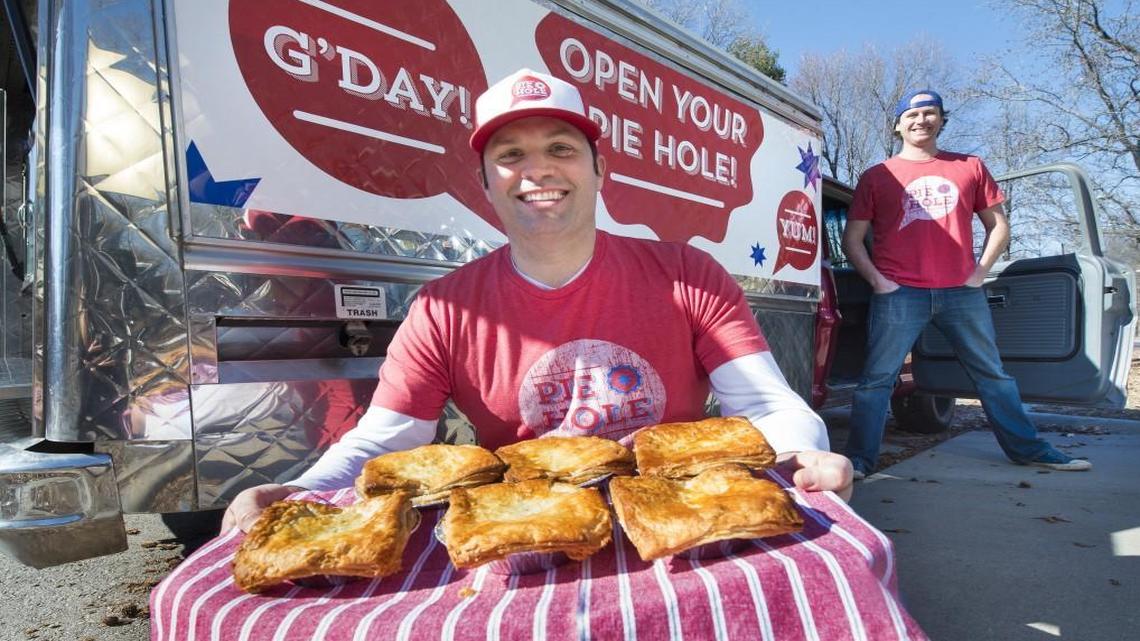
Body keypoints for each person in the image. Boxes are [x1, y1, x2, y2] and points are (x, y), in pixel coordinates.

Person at [221, 69, 853, 532]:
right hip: (530, 528)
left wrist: (804, 456)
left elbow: (767, 405)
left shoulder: (687, 274)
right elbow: (385, 443)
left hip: (681, 518)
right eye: (511, 155)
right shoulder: (444, 308)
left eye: (561, 149)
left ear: (599, 170)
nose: (537, 171)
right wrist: (296, 491)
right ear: (485, 184)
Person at [841, 89, 1092, 479]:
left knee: (993, 375)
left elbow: (999, 226)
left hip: (961, 292)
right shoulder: (877, 176)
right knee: (876, 380)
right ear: (897, 124)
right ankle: (859, 462)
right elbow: (853, 239)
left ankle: (1030, 450)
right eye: (912, 114)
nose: (921, 120)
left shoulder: (970, 166)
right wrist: (877, 281)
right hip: (899, 294)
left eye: (930, 113)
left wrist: (980, 272)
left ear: (942, 120)